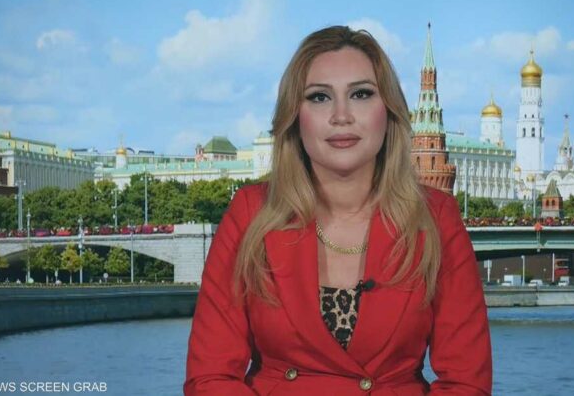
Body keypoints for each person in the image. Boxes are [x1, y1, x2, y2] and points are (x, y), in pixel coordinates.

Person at [185, 25, 491, 395]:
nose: (341, 115)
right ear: (294, 117)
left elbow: (465, 382)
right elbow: (211, 377)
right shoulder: (252, 213)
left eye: (361, 94)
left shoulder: (436, 218)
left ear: (388, 111)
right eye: (319, 97)